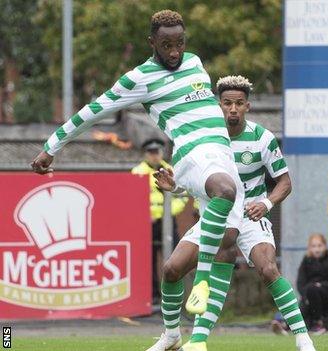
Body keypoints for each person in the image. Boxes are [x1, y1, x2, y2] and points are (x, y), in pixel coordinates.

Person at [29, 8, 244, 336]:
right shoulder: (139, 78)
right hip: (194, 158)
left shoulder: (196, 63)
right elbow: (94, 110)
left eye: (180, 43)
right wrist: (51, 145)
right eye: (166, 45)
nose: (174, 52)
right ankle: (201, 285)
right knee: (224, 192)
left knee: (175, 268)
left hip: (222, 159)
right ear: (151, 43)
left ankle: (171, 338)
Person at [149, 75, 315, 351]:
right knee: (171, 269)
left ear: (247, 106)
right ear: (218, 105)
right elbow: (194, 186)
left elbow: (285, 183)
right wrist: (175, 187)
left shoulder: (262, 139)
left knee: (268, 269)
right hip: (218, 215)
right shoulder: (206, 140)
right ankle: (172, 336)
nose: (233, 109)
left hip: (251, 216)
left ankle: (302, 337)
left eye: (239, 103)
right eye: (227, 103)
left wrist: (267, 204)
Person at [131, 138, 188, 302]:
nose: (154, 156)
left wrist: (168, 212)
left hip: (168, 220)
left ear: (162, 153)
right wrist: (145, 215)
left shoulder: (171, 170)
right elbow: (134, 198)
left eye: (157, 152)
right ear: (145, 154)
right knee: (147, 259)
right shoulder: (137, 172)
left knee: (176, 257)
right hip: (147, 222)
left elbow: (182, 197)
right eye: (151, 153)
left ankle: (174, 292)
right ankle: (153, 295)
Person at [296, 234, 328, 335]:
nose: (317, 249)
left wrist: (321, 285)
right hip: (309, 296)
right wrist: (305, 296)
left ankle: (318, 322)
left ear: (325, 246)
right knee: (305, 300)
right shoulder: (306, 261)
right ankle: (287, 325)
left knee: (312, 289)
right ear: (309, 248)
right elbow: (300, 283)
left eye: (319, 246)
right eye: (314, 246)